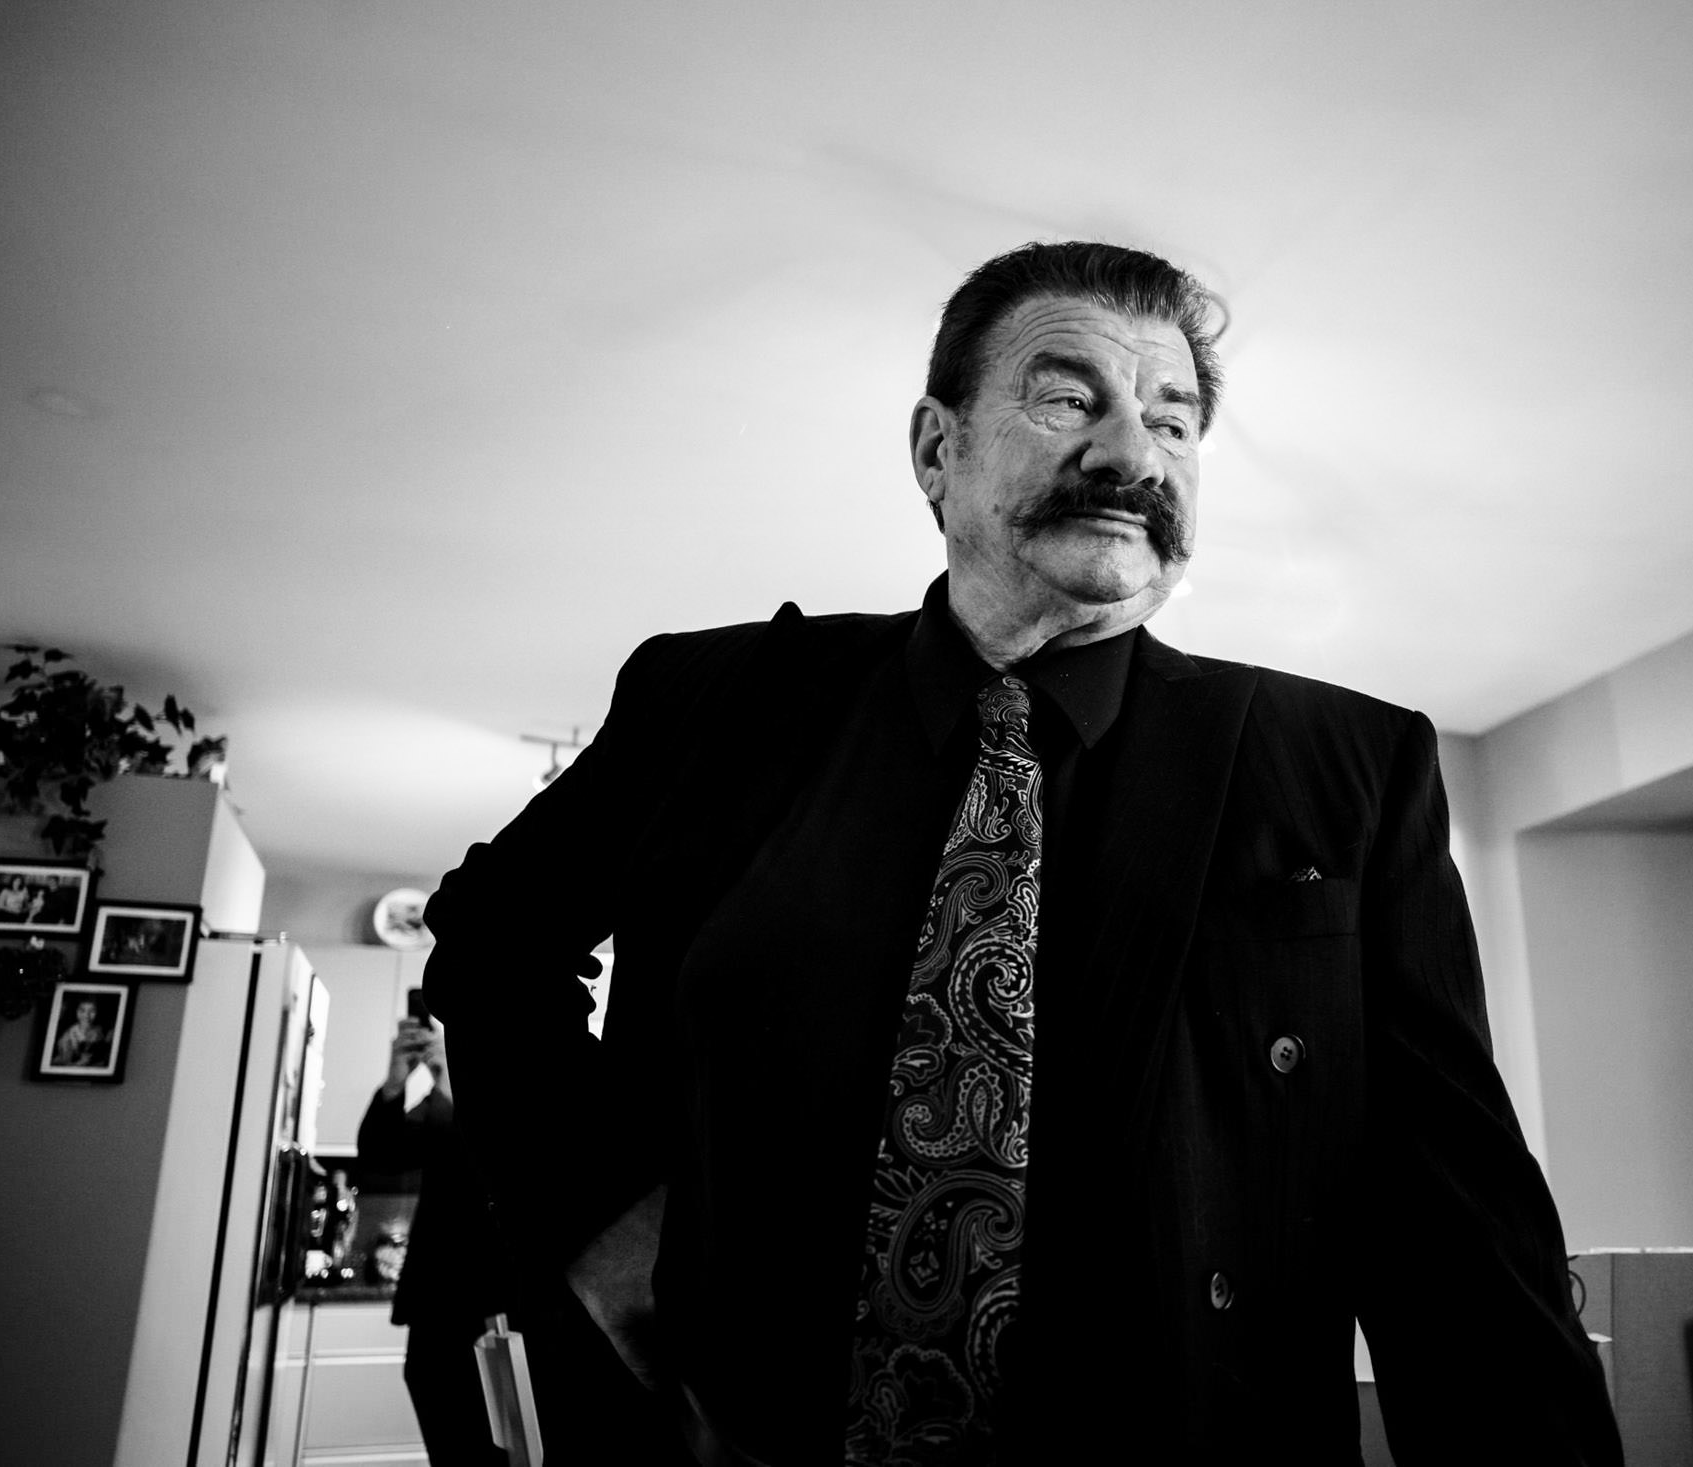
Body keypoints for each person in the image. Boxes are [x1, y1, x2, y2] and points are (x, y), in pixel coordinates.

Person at [424, 241, 1621, 1465]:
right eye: (1067, 399)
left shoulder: (1346, 767)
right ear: (935, 450)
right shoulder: (717, 702)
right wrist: (601, 1224)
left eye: (1173, 421)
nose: (1132, 455)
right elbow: (489, 939)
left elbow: (1456, 1230)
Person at [355, 1004, 514, 1467]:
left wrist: (457, 1085)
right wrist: (394, 1083)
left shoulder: (520, 1094)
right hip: (437, 1321)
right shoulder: (438, 1108)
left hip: (504, 1312)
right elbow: (380, 1156)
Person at [52, 997, 110, 1067]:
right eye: (82, 1010)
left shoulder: (99, 1029)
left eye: (92, 1011)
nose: (87, 1015)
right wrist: (81, 1062)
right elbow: (64, 1065)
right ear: (76, 1012)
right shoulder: (68, 1037)